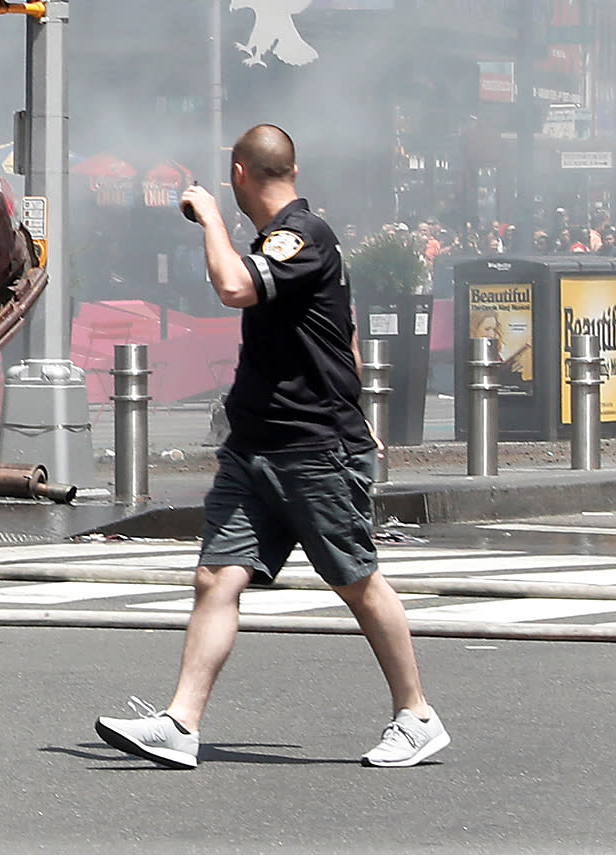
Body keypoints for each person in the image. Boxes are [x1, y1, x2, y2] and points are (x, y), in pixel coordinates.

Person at [95, 124, 447, 770]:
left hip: (312, 447)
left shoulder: (300, 237)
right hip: (256, 448)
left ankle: (417, 714)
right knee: (215, 577)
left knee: (358, 580)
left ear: (238, 175)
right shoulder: (289, 240)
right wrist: (361, 401)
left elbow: (233, 286)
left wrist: (205, 218)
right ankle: (181, 723)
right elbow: (343, 335)